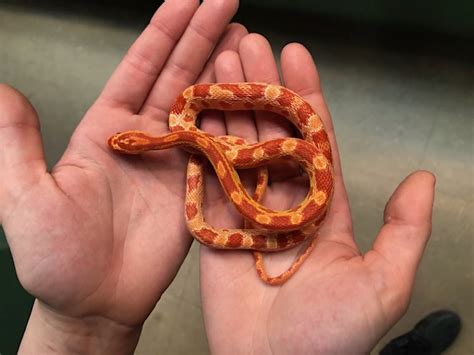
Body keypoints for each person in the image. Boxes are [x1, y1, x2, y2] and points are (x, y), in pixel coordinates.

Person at [0, 0, 437, 353]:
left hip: (234, 155)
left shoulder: (186, 131)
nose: (129, 143)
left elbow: (203, 145)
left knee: (236, 158)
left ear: (140, 141)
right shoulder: (182, 126)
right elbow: (200, 145)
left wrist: (74, 332)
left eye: (127, 143)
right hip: (216, 153)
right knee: (220, 159)